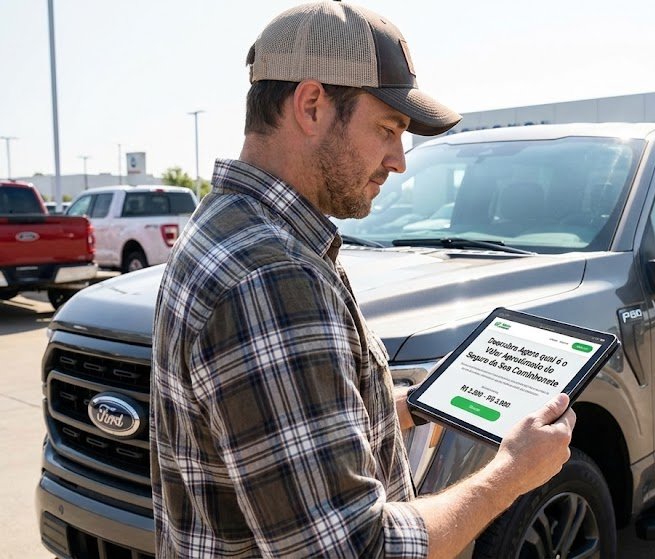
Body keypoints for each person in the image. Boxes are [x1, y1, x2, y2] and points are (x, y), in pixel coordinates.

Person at [150, 2, 576, 557]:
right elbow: (357, 549)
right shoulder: (273, 277)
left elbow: (277, 439)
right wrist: (511, 474)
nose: (399, 160)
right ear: (311, 106)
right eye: (387, 129)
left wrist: (412, 404)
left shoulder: (228, 225)